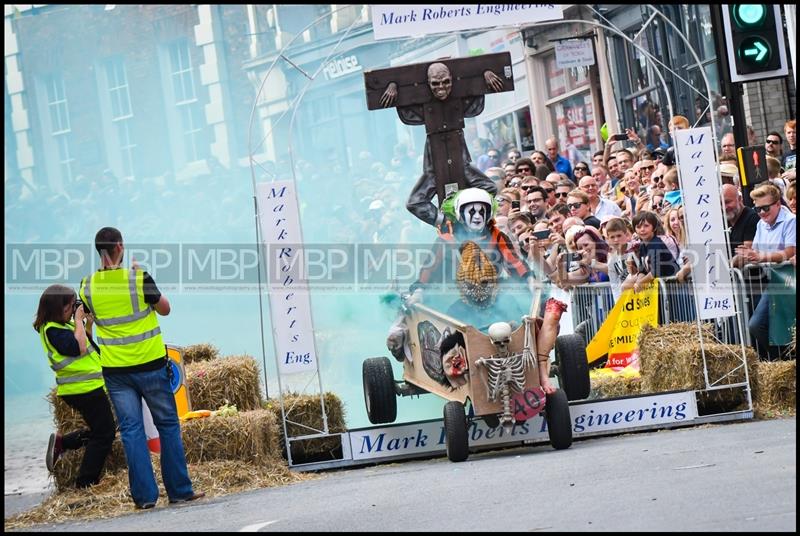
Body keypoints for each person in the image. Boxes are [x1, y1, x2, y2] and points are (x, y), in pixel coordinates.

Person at [80, 227, 203, 509]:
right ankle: (180, 491)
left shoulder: (87, 286)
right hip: (149, 365)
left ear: (99, 252)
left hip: (115, 372)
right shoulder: (138, 277)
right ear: (120, 247)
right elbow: (165, 309)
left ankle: (146, 498)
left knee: (132, 431)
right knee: (168, 425)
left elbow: (87, 320)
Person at [35, 284, 115, 488]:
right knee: (104, 433)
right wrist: (78, 320)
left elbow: (86, 343)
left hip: (87, 387)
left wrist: (86, 324)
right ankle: (85, 482)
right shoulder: (52, 330)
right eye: (71, 306)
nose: (74, 310)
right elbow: (77, 348)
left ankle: (64, 443)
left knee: (103, 430)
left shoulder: (63, 326)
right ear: (57, 308)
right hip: (82, 389)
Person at [733, 185, 796, 360]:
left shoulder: (791, 221)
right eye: (757, 208)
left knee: (764, 325)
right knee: (758, 325)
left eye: (765, 208)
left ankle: (784, 362)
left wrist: (761, 257)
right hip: (776, 283)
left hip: (790, 282)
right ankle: (784, 363)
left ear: (777, 204)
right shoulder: (761, 224)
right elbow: (755, 251)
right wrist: (741, 258)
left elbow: (790, 252)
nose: (761, 212)